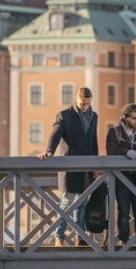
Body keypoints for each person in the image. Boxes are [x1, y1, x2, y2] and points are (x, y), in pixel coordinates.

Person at [38, 87, 98, 247]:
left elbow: (93, 141)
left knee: (82, 204)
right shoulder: (65, 115)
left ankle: (80, 237)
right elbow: (56, 134)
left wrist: (97, 164)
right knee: (66, 203)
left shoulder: (94, 116)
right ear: (76, 100)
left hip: (87, 166)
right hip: (70, 166)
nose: (85, 107)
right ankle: (59, 237)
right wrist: (49, 150)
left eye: (88, 104)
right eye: (83, 103)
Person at [105, 103, 136, 246]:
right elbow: (111, 150)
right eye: (134, 118)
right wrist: (126, 152)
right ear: (125, 117)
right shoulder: (114, 132)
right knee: (123, 210)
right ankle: (124, 240)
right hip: (121, 178)